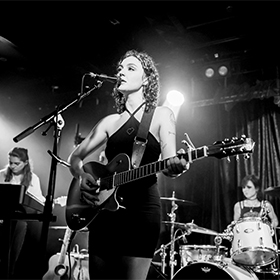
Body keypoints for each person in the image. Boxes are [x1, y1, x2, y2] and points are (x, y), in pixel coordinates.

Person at [68, 49, 190, 279]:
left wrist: (177, 166)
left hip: (141, 212)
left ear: (146, 79)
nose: (121, 72)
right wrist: (81, 176)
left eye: (130, 68)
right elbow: (75, 158)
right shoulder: (109, 122)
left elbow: (169, 162)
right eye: (120, 69)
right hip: (104, 213)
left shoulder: (162, 115)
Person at [0, 147, 45, 278]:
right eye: (10, 162)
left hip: (18, 220)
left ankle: (9, 272)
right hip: (1, 217)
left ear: (25, 163)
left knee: (19, 228)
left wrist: (50, 202)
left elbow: (38, 201)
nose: (12, 166)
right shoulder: (1, 174)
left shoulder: (33, 179)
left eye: (16, 163)